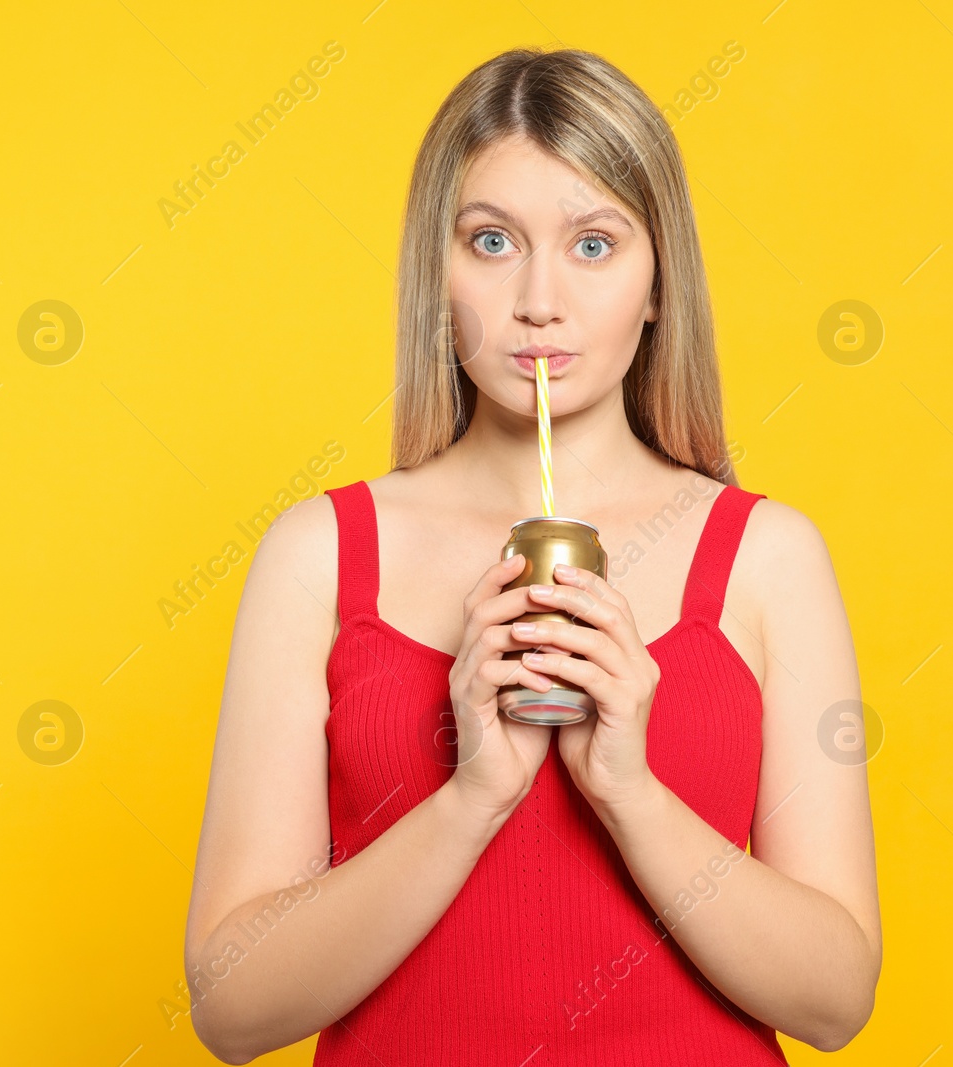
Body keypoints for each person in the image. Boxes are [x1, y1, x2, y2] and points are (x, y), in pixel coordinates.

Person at [184, 47, 879, 1065]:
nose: (538, 300)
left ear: (657, 285)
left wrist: (628, 789)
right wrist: (473, 795)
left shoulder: (769, 556)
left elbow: (834, 1000)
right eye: (493, 240)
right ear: (438, 267)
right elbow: (232, 1010)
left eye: (594, 244)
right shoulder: (321, 556)